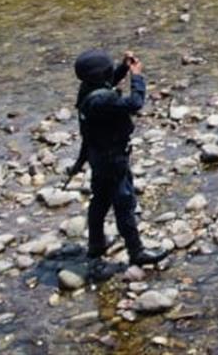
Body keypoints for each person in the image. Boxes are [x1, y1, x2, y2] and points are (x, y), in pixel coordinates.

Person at [71, 50, 168, 273]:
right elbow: (135, 103)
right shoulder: (104, 100)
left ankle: (96, 245)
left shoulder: (88, 91)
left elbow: (108, 82)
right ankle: (137, 252)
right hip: (113, 159)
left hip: (97, 156)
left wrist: (123, 67)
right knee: (124, 202)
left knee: (100, 200)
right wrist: (137, 77)